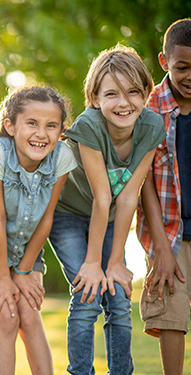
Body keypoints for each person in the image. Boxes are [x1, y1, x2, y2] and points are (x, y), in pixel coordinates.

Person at [48, 44, 166, 375]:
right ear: (96, 98)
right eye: (111, 93)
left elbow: (129, 197)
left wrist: (114, 262)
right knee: (87, 294)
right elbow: (102, 196)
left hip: (112, 216)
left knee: (117, 298)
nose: (124, 102)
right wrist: (92, 263)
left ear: (146, 94)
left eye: (132, 92)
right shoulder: (89, 126)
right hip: (68, 214)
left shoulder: (152, 126)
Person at [0, 86, 77, 375]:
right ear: (10, 125)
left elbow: (46, 218)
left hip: (27, 247)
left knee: (30, 316)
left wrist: (24, 270)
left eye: (51, 126)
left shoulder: (63, 157)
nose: (41, 134)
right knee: (7, 316)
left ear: (61, 130)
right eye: (32, 123)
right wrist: (5, 278)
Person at [136, 18, 191, 375]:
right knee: (171, 313)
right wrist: (161, 248)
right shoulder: (150, 111)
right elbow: (145, 185)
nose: (190, 76)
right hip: (170, 231)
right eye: (182, 67)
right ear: (163, 62)